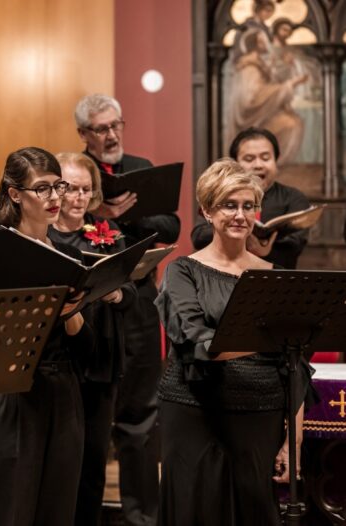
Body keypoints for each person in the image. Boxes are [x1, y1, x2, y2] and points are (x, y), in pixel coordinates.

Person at [155, 158, 310, 525]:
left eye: (247, 206)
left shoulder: (277, 276)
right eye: (228, 205)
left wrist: (295, 441)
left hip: (262, 414)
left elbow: (296, 365)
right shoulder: (182, 271)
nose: (240, 215)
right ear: (207, 210)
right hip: (195, 412)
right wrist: (266, 341)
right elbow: (195, 341)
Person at [0, 146, 93, 526]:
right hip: (13, 392)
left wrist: (72, 311)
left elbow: (87, 349)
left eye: (58, 186)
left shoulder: (67, 253)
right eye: (42, 189)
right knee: (11, 507)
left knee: (57, 507)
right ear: (14, 194)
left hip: (62, 391)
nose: (55, 198)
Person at [75, 93, 180, 525]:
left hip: (137, 304)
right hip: (89, 308)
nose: (112, 134)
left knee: (140, 416)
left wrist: (123, 217)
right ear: (83, 134)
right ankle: (83, 515)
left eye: (117, 124)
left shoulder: (140, 168)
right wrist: (95, 209)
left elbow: (170, 225)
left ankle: (142, 518)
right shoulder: (73, 174)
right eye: (101, 128)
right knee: (91, 420)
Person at [48, 152, 137, 525]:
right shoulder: (44, 235)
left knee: (93, 461)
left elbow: (132, 293)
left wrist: (117, 292)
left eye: (86, 189)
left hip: (101, 359)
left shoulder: (108, 235)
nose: (79, 197)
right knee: (59, 462)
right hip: (59, 360)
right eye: (70, 188)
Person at [191, 127, 310, 269]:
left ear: (276, 161)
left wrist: (266, 250)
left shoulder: (294, 198)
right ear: (235, 164)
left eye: (265, 158)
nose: (258, 165)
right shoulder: (220, 195)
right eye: (249, 159)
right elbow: (199, 237)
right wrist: (240, 235)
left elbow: (295, 245)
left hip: (277, 278)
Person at [226, 28, 307, 164]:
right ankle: (272, 164)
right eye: (262, 40)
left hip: (261, 114)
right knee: (292, 124)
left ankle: (275, 166)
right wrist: (289, 85)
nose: (266, 43)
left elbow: (269, 82)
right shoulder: (250, 67)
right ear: (255, 44)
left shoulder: (259, 63)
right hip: (251, 119)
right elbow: (252, 99)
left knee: (294, 120)